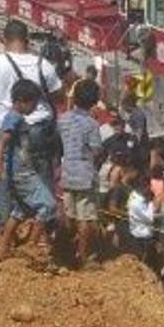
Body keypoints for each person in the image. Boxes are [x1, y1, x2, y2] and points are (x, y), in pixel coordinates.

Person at [0, 80, 59, 262]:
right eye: (33, 103)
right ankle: (32, 244)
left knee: (20, 210)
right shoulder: (14, 118)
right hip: (22, 173)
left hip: (20, 171)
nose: (35, 107)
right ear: (21, 101)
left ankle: (4, 248)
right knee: (48, 205)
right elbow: (2, 142)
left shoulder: (15, 118)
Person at [0, 20, 63, 130]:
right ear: (27, 40)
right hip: (40, 126)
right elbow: (58, 94)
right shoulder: (43, 64)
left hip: (6, 126)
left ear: (5, 40)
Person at [58, 79, 103, 267]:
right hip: (85, 175)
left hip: (67, 172)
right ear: (94, 100)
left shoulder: (63, 119)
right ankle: (82, 256)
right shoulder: (91, 124)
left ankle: (63, 248)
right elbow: (96, 150)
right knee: (85, 217)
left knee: (68, 214)